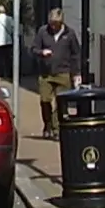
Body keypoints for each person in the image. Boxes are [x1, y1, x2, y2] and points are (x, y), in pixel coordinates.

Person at [34, 9, 81, 140]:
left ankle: (57, 128)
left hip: (63, 72)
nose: (53, 26)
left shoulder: (70, 34)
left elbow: (76, 54)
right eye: (51, 23)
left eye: (56, 24)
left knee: (61, 102)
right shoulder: (43, 32)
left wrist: (76, 73)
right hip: (46, 73)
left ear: (61, 22)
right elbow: (34, 48)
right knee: (45, 101)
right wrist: (41, 52)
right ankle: (47, 125)